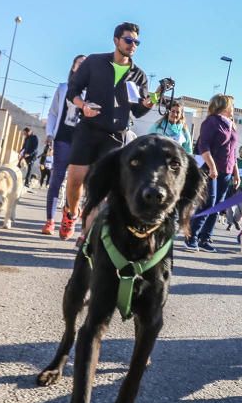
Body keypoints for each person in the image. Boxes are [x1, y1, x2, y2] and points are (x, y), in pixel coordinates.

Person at [60, 22, 161, 241]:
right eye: (128, 40)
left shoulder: (139, 76)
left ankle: (87, 234)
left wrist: (151, 101)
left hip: (116, 135)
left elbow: (138, 110)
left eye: (136, 42)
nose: (132, 45)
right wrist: (83, 106)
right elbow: (73, 91)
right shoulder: (94, 62)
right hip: (88, 128)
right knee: (75, 180)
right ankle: (71, 212)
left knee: (101, 189)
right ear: (116, 40)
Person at [185, 94, 239, 252]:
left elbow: (233, 152)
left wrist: (235, 173)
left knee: (218, 206)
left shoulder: (232, 124)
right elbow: (204, 147)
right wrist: (212, 167)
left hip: (227, 171)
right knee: (208, 203)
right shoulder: (211, 121)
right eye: (232, 105)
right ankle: (191, 236)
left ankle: (205, 238)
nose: (233, 109)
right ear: (223, 106)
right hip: (211, 169)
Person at [41, 55, 85, 235]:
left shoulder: (92, 92)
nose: (82, 67)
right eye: (79, 63)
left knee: (76, 183)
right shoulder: (63, 88)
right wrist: (50, 134)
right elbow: (52, 113)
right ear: (73, 67)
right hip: (62, 140)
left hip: (82, 142)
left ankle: (69, 216)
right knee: (56, 179)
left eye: (86, 65)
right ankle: (50, 221)